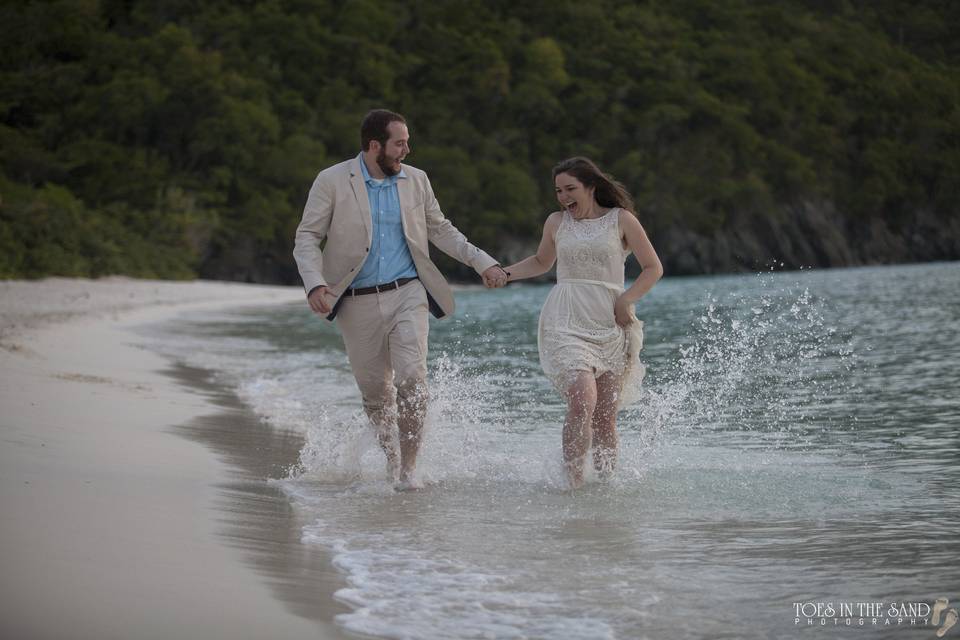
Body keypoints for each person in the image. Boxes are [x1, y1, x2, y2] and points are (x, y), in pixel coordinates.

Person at [293, 109, 508, 490]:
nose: (407, 150)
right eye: (399, 143)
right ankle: (392, 461)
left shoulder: (416, 180)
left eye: (407, 142)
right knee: (376, 394)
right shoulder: (333, 180)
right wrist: (314, 284)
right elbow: (308, 236)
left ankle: (409, 471)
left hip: (408, 291)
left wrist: (483, 263)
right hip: (355, 299)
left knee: (413, 379)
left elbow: (442, 230)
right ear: (375, 146)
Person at [504, 157, 663, 488]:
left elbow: (653, 268)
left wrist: (626, 299)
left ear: (591, 186)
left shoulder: (622, 220)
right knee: (581, 398)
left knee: (605, 417)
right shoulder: (556, 222)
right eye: (558, 191)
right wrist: (503, 274)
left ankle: (606, 487)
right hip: (566, 318)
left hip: (610, 322)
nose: (563, 197)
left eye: (570, 189)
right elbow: (540, 261)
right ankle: (572, 485)